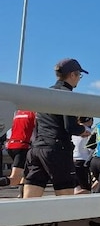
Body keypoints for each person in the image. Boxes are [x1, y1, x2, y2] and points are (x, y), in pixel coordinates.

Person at [23, 58, 91, 198]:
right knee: (64, 194)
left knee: (31, 193)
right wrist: (83, 131)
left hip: (37, 148)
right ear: (72, 74)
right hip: (57, 149)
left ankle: (26, 219)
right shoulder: (67, 95)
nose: (79, 79)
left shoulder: (45, 94)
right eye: (79, 75)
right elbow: (70, 127)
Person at [0, 109, 36, 191]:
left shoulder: (18, 112)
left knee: (26, 173)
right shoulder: (33, 113)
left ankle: (22, 194)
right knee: (15, 179)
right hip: (23, 146)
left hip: (11, 145)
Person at [72, 117, 94, 194]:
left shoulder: (74, 130)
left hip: (72, 160)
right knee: (86, 189)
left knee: (76, 186)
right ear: (89, 121)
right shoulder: (89, 131)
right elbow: (91, 148)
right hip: (83, 161)